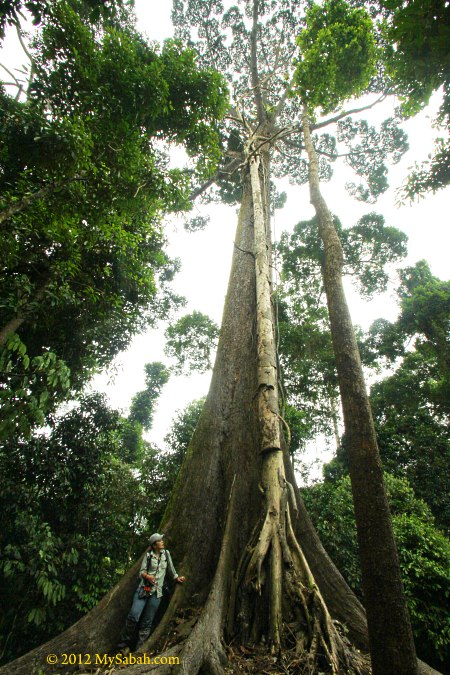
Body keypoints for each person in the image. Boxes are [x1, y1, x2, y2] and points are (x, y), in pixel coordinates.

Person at [117, 533, 185, 653]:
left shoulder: (166, 554)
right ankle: (124, 644)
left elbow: (171, 568)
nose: (162, 542)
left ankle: (139, 649)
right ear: (154, 545)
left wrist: (176, 577)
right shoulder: (148, 556)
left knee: (147, 622)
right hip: (143, 590)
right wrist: (148, 576)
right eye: (160, 540)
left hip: (156, 593)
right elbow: (141, 572)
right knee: (134, 615)